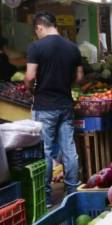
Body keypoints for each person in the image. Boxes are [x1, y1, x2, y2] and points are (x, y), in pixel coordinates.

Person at [24, 11, 83, 208]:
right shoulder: (73, 48)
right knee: (69, 149)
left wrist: (30, 89)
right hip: (65, 104)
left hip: (44, 106)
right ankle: (72, 192)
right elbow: (80, 78)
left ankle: (47, 199)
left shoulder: (36, 47)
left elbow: (30, 76)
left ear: (39, 27)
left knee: (46, 151)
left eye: (36, 31)